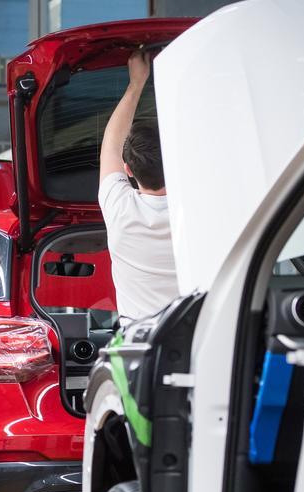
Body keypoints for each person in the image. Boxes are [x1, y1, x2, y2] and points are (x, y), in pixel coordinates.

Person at [98, 49, 179, 326]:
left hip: (137, 351)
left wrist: (136, 83)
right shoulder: (199, 211)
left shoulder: (121, 209)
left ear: (128, 170)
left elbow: (110, 145)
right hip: (199, 341)